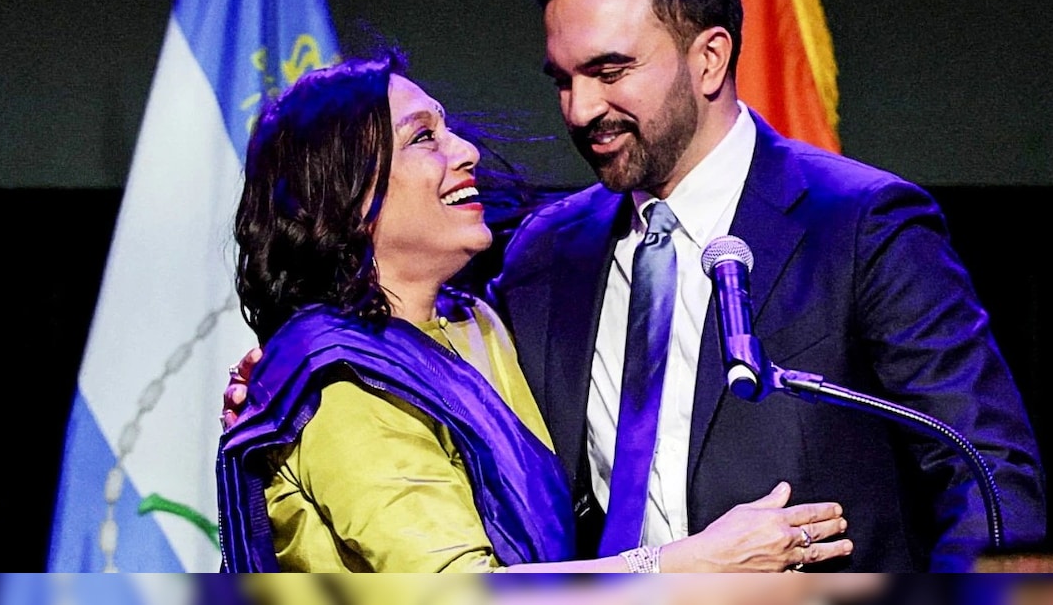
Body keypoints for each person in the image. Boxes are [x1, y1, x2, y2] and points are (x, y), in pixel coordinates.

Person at [224, 0, 1047, 572]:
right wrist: (288, 379)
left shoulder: (861, 225)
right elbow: (421, 393)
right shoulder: (547, 251)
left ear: (710, 58)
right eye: (563, 80)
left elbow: (984, 474)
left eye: (610, 72)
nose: (580, 111)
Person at [216, 47, 852, 573]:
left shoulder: (474, 322)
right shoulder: (338, 381)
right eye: (424, 138)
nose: (465, 151)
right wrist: (688, 564)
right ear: (351, 196)